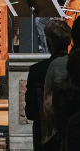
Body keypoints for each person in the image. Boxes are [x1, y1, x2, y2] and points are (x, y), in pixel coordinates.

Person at [26, 20, 71, 149]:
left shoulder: (37, 70)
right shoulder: (76, 66)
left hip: (45, 139)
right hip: (72, 135)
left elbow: (30, 112)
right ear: (69, 42)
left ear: (48, 42)